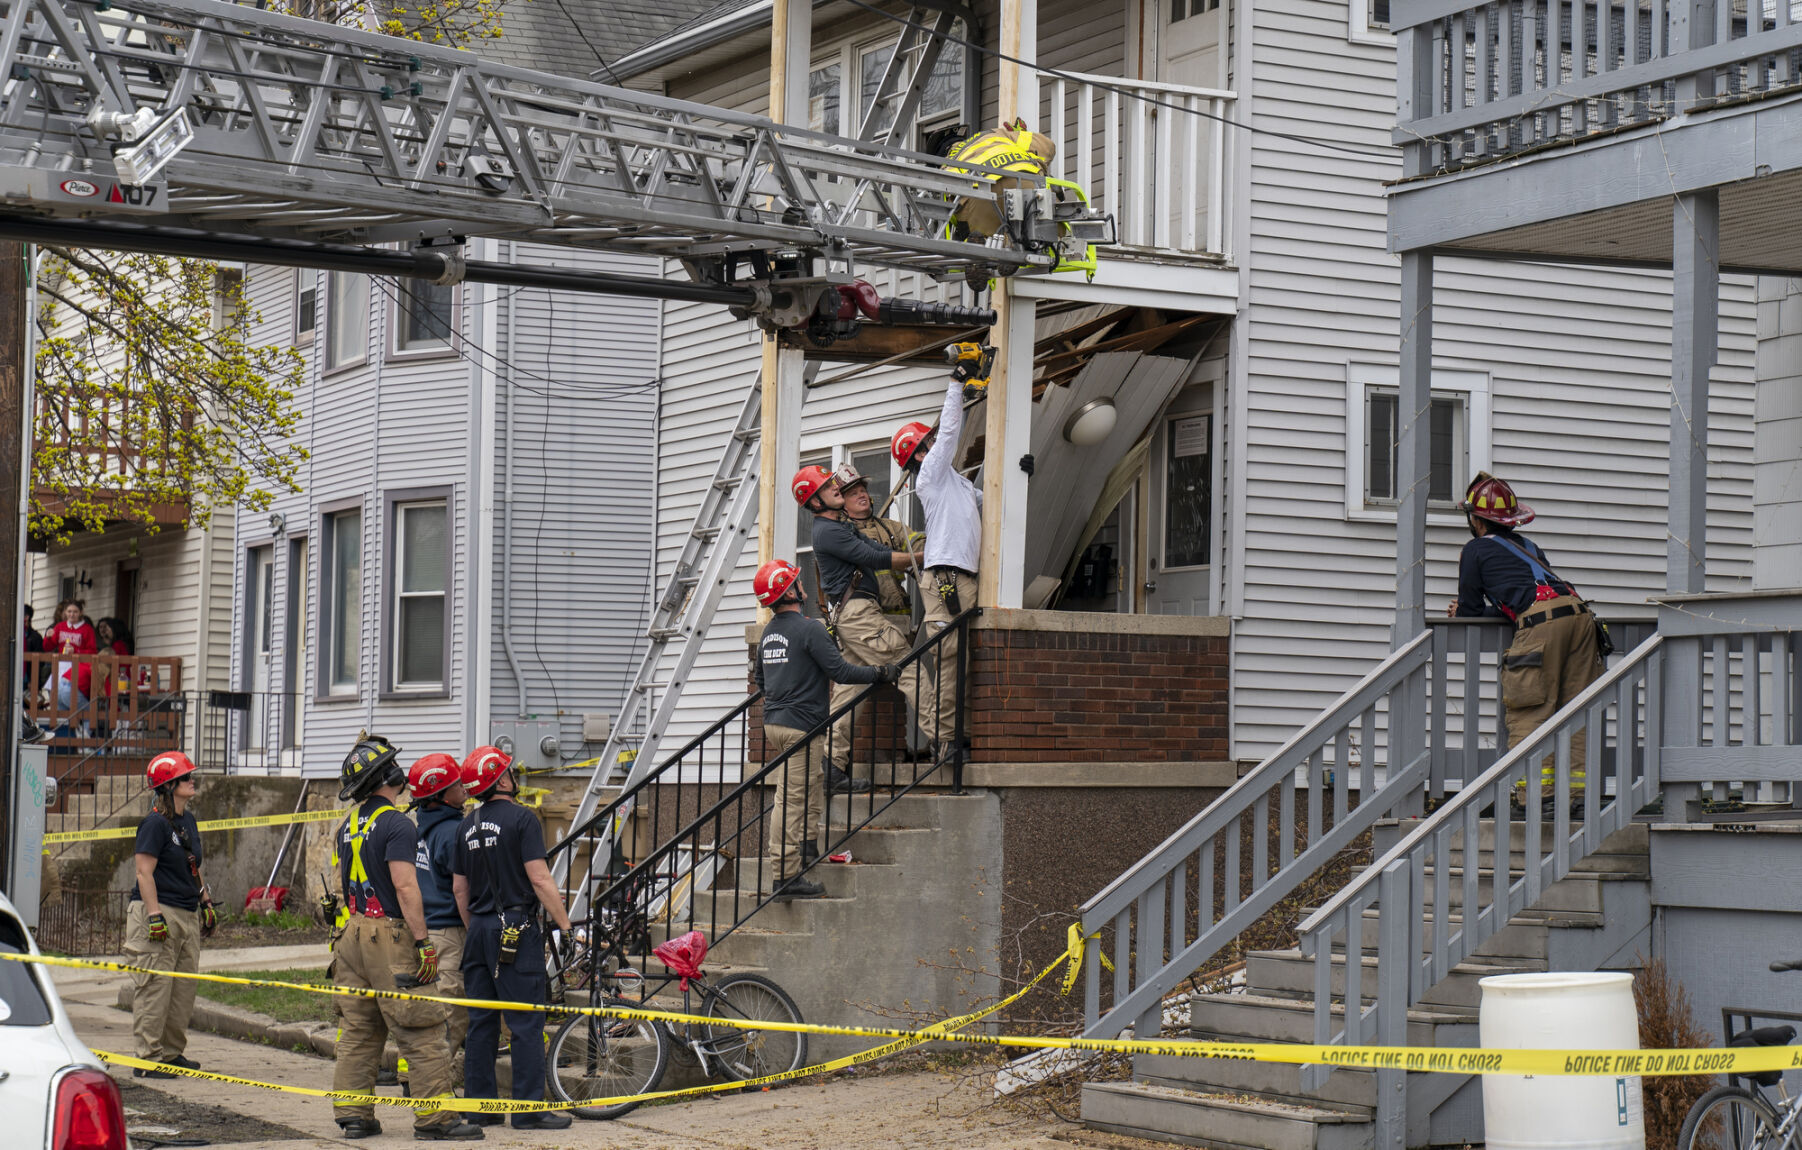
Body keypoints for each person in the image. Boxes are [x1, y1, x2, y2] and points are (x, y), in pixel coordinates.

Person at [330, 733, 481, 1142]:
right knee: (422, 1025)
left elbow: (345, 883)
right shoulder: (397, 824)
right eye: (394, 766)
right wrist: (422, 943)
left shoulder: (350, 825)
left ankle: (354, 1115)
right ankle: (436, 1119)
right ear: (387, 775)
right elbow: (406, 887)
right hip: (390, 937)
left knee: (360, 1030)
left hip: (353, 933)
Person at [1446, 473, 1601, 803]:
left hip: (1542, 626)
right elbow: (1522, 602)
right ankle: (1575, 797)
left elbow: (1471, 611)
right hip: (1580, 617)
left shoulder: (1474, 550)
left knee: (1531, 710)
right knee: (1574, 712)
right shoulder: (1530, 548)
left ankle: (1538, 798)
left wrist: (1461, 609)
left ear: (1476, 520)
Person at [752, 559, 895, 900]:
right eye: (798, 582)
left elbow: (761, 680)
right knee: (791, 799)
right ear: (790, 591)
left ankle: (806, 845)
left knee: (809, 782)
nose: (804, 586)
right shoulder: (810, 629)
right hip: (802, 728)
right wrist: (879, 673)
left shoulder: (769, 634)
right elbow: (842, 672)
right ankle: (785, 877)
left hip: (775, 723)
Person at [453, 745, 574, 1131]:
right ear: (501, 779)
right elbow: (539, 878)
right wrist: (565, 925)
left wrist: (478, 931)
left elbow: (460, 889)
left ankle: (481, 1108)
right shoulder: (523, 820)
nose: (513, 775)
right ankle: (527, 1110)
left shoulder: (465, 826)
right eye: (508, 771)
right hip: (516, 930)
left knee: (481, 1022)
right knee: (525, 1023)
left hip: (480, 929)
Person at [794, 464, 927, 788]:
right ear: (815, 502)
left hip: (855, 617)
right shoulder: (830, 532)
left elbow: (881, 549)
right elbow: (878, 558)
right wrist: (925, 557)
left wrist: (914, 551)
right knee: (909, 669)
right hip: (860, 616)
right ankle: (948, 740)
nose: (836, 488)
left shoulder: (842, 527)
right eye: (829, 487)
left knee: (849, 691)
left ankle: (831, 768)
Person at [894, 367, 984, 762]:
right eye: (927, 442)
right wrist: (955, 385)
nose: (935, 444)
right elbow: (949, 433)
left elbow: (988, 504)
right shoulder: (929, 475)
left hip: (958, 575)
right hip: (945, 577)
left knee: (960, 659)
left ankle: (956, 736)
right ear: (918, 454)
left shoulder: (957, 483)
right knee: (949, 659)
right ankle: (947, 741)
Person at [124, 751, 215, 1078]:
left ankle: (172, 1053)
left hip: (187, 912)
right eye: (186, 777)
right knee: (154, 988)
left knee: (182, 989)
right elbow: (143, 873)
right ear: (168, 786)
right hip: (157, 911)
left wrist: (205, 901)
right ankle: (147, 1059)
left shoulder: (187, 820)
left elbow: (193, 865)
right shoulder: (154, 825)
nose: (192, 781)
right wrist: (154, 916)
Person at [408, 753, 472, 1073]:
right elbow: (465, 888)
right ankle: (429, 1087)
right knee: (451, 1017)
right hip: (451, 934)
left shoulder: (423, 828)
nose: (464, 788)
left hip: (428, 932)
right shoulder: (454, 833)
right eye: (458, 784)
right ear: (443, 794)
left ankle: (419, 1077)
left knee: (433, 1012)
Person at [44, 599, 96, 716]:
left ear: (81, 612)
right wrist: (48, 637)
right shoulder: (60, 626)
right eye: (69, 611)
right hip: (60, 666)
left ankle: (80, 728)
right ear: (65, 613)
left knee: (72, 700)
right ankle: (67, 730)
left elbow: (92, 651)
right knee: (57, 702)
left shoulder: (87, 629)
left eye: (75, 612)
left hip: (77, 668)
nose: (72, 614)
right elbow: (47, 647)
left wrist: (76, 651)